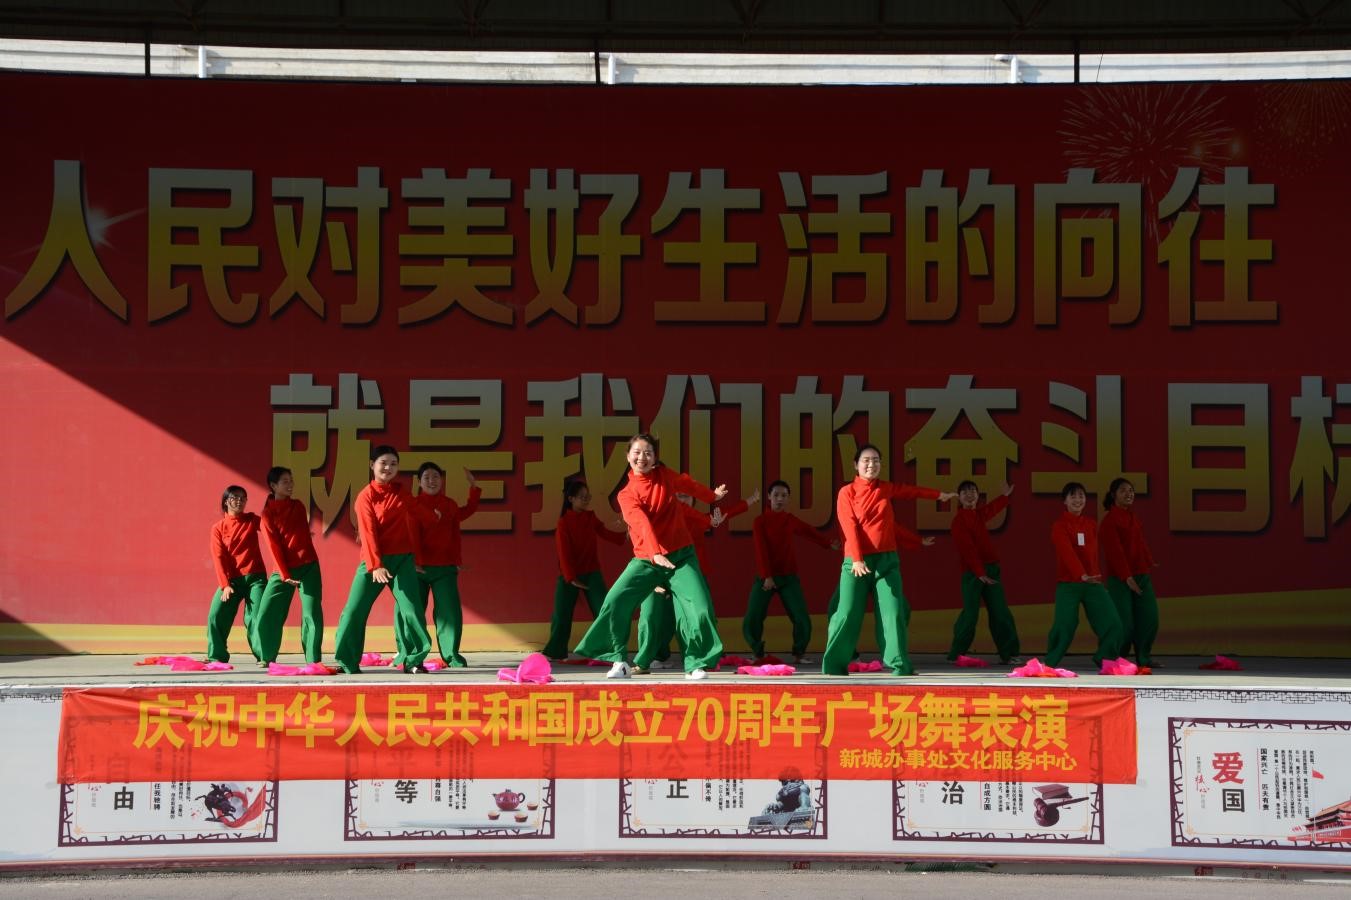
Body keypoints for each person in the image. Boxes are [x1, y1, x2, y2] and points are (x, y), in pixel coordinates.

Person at [572, 433, 727, 681]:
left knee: (699, 607)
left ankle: (695, 663)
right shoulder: (626, 494)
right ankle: (619, 660)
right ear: (628, 456)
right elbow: (640, 523)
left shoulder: (665, 476)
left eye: (648, 453)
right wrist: (655, 553)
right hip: (647, 560)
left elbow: (687, 485)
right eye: (637, 452)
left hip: (681, 557)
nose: (642, 457)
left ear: (655, 458)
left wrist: (712, 497)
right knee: (615, 601)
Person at [823, 444, 956, 676]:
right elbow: (849, 527)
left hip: (886, 562)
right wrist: (857, 559)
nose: (871, 464)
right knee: (846, 612)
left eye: (876, 460)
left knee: (894, 611)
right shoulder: (847, 492)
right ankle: (835, 665)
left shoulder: (885, 488)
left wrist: (938, 496)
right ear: (855, 465)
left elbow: (905, 501)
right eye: (866, 460)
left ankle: (899, 665)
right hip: (856, 563)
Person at [332, 445, 433, 674]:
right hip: (373, 561)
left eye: (393, 464)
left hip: (402, 560)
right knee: (354, 610)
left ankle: (414, 660)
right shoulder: (365, 497)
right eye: (383, 463)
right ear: (372, 465)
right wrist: (376, 565)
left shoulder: (401, 492)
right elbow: (368, 533)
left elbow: (420, 511)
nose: (388, 468)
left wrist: (435, 515)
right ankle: (347, 661)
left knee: (411, 609)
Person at [630, 490, 755, 674]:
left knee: (694, 615)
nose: (683, 499)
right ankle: (648, 659)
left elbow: (724, 513)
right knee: (651, 616)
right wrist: (651, 580)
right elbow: (641, 544)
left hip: (688, 574)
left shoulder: (696, 519)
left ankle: (696, 658)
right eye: (679, 495)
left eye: (686, 496)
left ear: (693, 500)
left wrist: (749, 501)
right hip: (657, 572)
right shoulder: (657, 519)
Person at [742, 480, 839, 665]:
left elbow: (809, 532)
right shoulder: (760, 522)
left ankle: (799, 654)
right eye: (776, 495)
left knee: (801, 617)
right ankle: (757, 653)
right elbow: (760, 550)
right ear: (769, 497)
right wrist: (767, 576)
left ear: (788, 499)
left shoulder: (790, 520)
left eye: (784, 496)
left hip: (788, 577)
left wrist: (828, 543)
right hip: (765, 578)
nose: (780, 499)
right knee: (753, 617)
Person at [824, 517, 931, 660]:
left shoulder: (878, 512)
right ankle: (847, 655)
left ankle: (892, 652)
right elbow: (850, 531)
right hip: (856, 566)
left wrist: (918, 540)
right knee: (837, 609)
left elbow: (893, 527)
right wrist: (855, 558)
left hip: (878, 567)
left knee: (901, 608)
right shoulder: (848, 506)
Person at [544, 478, 626, 660]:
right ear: (571, 499)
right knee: (562, 615)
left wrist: (625, 535)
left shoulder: (590, 517)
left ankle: (608, 650)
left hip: (591, 572)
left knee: (604, 609)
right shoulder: (564, 522)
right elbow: (563, 553)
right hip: (569, 575)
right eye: (582, 497)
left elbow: (606, 533)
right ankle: (555, 652)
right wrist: (571, 578)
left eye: (587, 496)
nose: (586, 500)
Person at [1045, 481, 1124, 668]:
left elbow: (1093, 555)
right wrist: (1081, 574)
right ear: (1064, 501)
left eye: (1081, 496)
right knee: (1064, 625)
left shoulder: (1090, 524)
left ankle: (1105, 658)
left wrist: (1094, 576)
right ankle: (1050, 663)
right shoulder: (1059, 526)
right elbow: (1067, 553)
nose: (1077, 500)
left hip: (1092, 583)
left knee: (1113, 623)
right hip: (1069, 584)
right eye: (1072, 496)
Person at [409, 461, 481, 668]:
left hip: (444, 567)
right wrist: (415, 562)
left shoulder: (449, 504)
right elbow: (412, 536)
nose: (431, 481)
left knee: (449, 612)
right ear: (419, 482)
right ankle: (409, 653)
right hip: (417, 568)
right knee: (412, 611)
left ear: (442, 480)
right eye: (426, 477)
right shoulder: (413, 505)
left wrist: (474, 488)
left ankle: (451, 655)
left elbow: (467, 511)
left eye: (436, 477)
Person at [946, 480, 1022, 665]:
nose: (970, 494)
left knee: (1000, 612)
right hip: (973, 573)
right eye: (965, 492)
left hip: (991, 569)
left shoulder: (979, 515)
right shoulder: (958, 521)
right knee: (970, 615)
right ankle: (956, 653)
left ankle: (1010, 653)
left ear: (978, 495)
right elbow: (968, 550)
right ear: (959, 498)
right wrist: (980, 573)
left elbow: (992, 509)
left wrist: (1005, 496)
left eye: (973, 491)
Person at [254, 466, 325, 665]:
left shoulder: (298, 506)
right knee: (267, 612)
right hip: (282, 570)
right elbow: (274, 547)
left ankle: (313, 660)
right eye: (285, 481)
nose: (290, 484)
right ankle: (266, 656)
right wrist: (285, 575)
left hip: (308, 566)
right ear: (273, 485)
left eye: (291, 480)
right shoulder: (267, 515)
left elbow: (298, 535)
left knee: (312, 613)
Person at [1100, 477, 1159, 672]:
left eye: (1131, 490)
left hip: (1141, 574)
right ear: (1113, 495)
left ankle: (1144, 657)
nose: (1129, 494)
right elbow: (1114, 552)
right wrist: (1127, 577)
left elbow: (1140, 543)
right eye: (1123, 490)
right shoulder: (1109, 521)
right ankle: (1114, 657)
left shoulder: (1133, 517)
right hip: (1120, 578)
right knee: (1124, 623)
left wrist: (1149, 561)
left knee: (1149, 618)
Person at [205, 485, 268, 664]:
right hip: (231, 581)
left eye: (242, 498)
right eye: (234, 497)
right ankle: (217, 656)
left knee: (256, 616)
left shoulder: (252, 520)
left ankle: (264, 656)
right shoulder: (218, 528)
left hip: (255, 579)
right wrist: (225, 585)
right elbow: (218, 557)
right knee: (216, 614)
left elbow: (272, 528)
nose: (239, 501)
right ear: (226, 501)